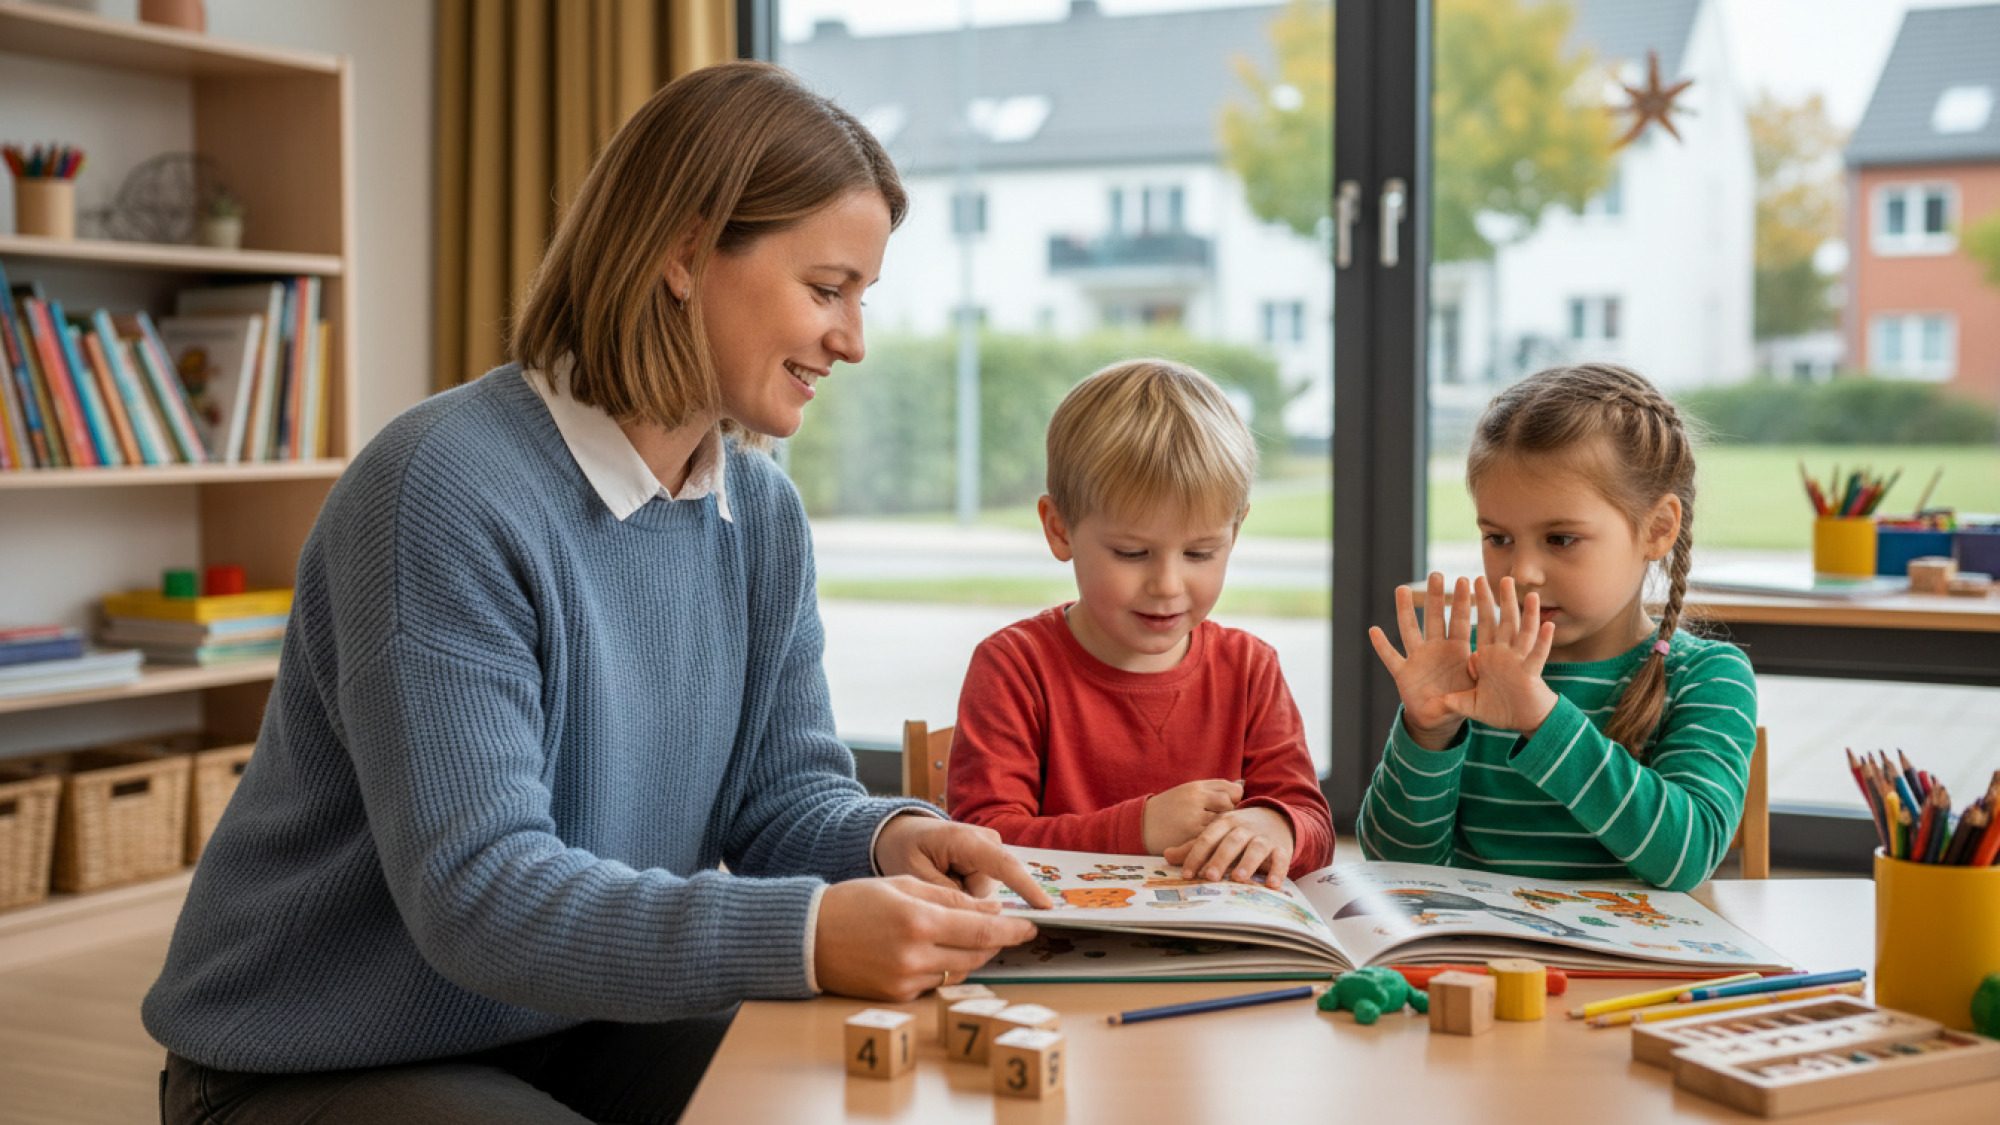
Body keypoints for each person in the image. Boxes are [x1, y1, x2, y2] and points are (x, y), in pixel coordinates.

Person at [144, 61, 1049, 1125]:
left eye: (862, 297)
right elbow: (478, 895)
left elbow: (779, 802)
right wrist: (807, 934)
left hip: (574, 1023)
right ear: (681, 250)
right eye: (826, 289)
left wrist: (891, 840)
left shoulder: (756, 515)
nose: (851, 339)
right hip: (306, 1060)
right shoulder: (440, 489)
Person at [1358, 363, 1758, 891]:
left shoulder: (1707, 677)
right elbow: (1395, 862)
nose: (1522, 572)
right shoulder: (1471, 665)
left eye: (1561, 539)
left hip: (1634, 969)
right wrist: (1427, 735)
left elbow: (1685, 858)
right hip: (1482, 961)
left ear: (1657, 530)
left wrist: (1542, 718)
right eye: (1498, 538)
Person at [946, 359, 1333, 889]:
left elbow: (1313, 824)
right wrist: (1140, 828)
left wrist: (1277, 824)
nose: (1168, 584)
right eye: (1131, 553)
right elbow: (980, 841)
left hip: (1219, 953)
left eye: (1200, 552)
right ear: (1059, 530)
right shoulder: (1014, 666)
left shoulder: (1249, 667)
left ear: (1236, 532)